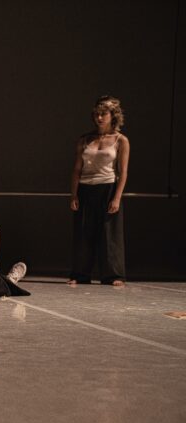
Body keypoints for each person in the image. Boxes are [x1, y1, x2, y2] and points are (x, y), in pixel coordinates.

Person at [68, 95, 130, 286]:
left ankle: (113, 275)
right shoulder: (85, 139)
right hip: (85, 189)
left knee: (109, 234)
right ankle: (80, 274)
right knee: (84, 232)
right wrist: (74, 194)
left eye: (104, 114)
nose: (99, 118)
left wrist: (116, 198)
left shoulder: (121, 140)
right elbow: (77, 169)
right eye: (97, 114)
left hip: (108, 188)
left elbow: (123, 172)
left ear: (113, 116)